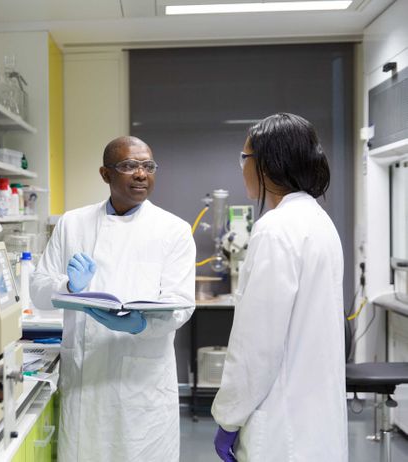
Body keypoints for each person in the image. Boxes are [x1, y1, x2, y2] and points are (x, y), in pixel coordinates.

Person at [30, 136, 196, 461]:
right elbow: (38, 290)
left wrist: (140, 324)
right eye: (129, 166)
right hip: (85, 379)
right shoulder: (72, 224)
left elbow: (181, 304)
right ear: (105, 174)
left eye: (148, 166)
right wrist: (69, 286)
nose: (140, 174)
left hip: (141, 383)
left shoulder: (172, 230)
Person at [211, 113, 348, 461]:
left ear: (268, 164)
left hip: (282, 427)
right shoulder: (318, 221)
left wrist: (229, 418)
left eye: (244, 158)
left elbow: (256, 343)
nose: (241, 167)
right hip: (315, 420)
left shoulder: (276, 228)